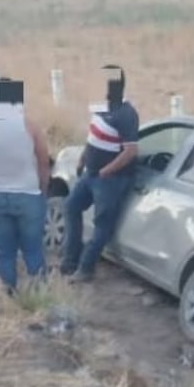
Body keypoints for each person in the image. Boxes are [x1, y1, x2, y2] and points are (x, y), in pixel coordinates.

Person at [0, 78, 51, 295]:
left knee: (5, 252)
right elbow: (43, 160)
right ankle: (40, 295)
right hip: (27, 193)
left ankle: (9, 296)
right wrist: (43, 189)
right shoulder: (28, 124)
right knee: (33, 250)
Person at [61, 65, 140, 284]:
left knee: (102, 224)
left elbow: (131, 151)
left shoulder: (127, 114)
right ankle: (69, 262)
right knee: (71, 207)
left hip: (111, 179)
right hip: (91, 173)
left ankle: (86, 268)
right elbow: (94, 135)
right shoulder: (103, 108)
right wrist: (83, 158)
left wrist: (108, 170)